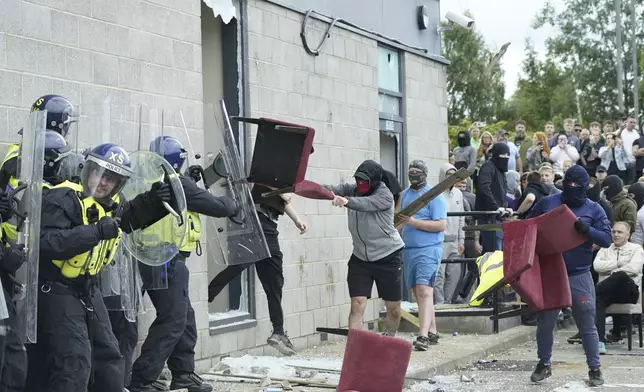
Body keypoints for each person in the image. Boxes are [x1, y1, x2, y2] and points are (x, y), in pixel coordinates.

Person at [25, 144, 172, 392]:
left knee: (109, 357)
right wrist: (95, 232)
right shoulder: (62, 197)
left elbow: (129, 218)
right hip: (56, 288)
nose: (103, 183)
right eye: (100, 174)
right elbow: (48, 243)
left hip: (88, 288)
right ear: (88, 170)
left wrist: (154, 201)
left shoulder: (112, 203)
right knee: (74, 360)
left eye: (112, 179)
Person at [126, 137, 239, 392]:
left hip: (155, 257)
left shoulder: (149, 180)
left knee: (184, 317)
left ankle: (184, 373)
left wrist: (189, 179)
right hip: (167, 259)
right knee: (173, 319)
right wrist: (235, 203)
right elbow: (217, 206)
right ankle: (143, 378)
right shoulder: (177, 183)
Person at [526, 165, 611, 387]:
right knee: (546, 322)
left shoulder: (595, 209)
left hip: (579, 273)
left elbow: (606, 239)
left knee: (587, 323)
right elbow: (529, 228)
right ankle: (544, 364)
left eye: (577, 186)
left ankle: (595, 369)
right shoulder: (548, 202)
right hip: (551, 272)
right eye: (568, 184)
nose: (572, 189)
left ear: (585, 187)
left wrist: (587, 231)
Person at [208, 175, 309, 356]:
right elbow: (273, 189)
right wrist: (285, 193)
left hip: (270, 229)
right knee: (237, 268)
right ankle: (205, 298)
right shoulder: (270, 167)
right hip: (257, 224)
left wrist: (297, 220)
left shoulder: (283, 174)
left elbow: (284, 201)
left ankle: (278, 332)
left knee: (274, 283)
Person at [323, 160, 404, 335]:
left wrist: (345, 201)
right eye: (358, 179)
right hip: (360, 257)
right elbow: (329, 189)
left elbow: (365, 204)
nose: (360, 184)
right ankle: (355, 348)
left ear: (374, 181)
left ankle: (389, 338)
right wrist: (303, 187)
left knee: (394, 308)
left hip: (388, 256)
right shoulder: (353, 190)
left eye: (364, 181)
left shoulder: (384, 195)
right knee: (357, 304)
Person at [399, 160, 446, 349]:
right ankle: (433, 331)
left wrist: (414, 222)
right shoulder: (405, 195)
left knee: (424, 290)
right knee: (418, 293)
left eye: (417, 172)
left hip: (429, 249)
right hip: (409, 249)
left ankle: (423, 336)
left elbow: (441, 225)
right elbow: (399, 221)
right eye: (411, 172)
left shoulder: (434, 197)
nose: (413, 175)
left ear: (425, 174)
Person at [593, 222, 643, 354]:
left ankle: (592, 292)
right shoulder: (605, 248)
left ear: (628, 234)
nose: (616, 235)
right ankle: (600, 342)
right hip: (608, 292)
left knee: (620, 275)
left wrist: (613, 272)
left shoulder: (636, 248)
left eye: (620, 232)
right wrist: (618, 263)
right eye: (614, 232)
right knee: (598, 300)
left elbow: (634, 268)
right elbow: (597, 266)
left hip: (629, 292)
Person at [434, 163, 464, 306]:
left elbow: (461, 219)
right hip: (439, 240)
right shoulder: (436, 194)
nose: (451, 177)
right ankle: (439, 304)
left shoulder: (459, 194)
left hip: (454, 241)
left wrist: (461, 241)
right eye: (448, 174)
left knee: (454, 274)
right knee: (439, 275)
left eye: (454, 174)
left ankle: (447, 301)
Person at [475, 143, 512, 252]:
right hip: (489, 217)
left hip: (497, 216)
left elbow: (500, 192)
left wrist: (505, 207)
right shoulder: (488, 166)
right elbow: (484, 187)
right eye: (503, 155)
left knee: (494, 252)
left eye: (507, 155)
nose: (505, 158)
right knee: (494, 253)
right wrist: (495, 206)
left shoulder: (500, 170)